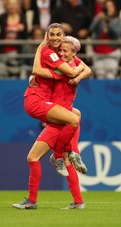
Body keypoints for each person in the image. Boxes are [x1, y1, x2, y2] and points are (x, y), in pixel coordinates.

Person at [12, 24, 88, 209]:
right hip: (50, 109)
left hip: (51, 111)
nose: (62, 52)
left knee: (74, 118)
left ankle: (61, 157)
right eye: (51, 35)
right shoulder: (58, 58)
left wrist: (76, 75)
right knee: (75, 116)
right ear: (47, 35)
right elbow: (38, 71)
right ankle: (68, 154)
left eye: (59, 37)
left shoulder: (65, 62)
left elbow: (82, 69)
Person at [89, 0, 121, 79]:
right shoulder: (99, 17)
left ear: (115, 8)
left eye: (111, 6)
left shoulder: (117, 20)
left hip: (112, 53)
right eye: (107, 7)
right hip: (98, 52)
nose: (109, 9)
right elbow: (91, 29)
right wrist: (98, 19)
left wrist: (109, 24)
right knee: (99, 76)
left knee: (110, 76)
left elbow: (117, 34)